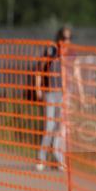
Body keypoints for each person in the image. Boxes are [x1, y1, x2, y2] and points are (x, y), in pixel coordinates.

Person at [35, 25, 72, 171]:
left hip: (63, 94)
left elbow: (73, 74)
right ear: (59, 38)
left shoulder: (69, 54)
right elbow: (39, 69)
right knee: (49, 127)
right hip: (50, 93)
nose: (67, 41)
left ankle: (58, 158)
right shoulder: (51, 51)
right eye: (64, 38)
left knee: (59, 129)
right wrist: (38, 88)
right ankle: (41, 157)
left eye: (69, 38)